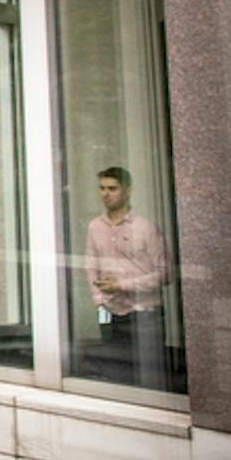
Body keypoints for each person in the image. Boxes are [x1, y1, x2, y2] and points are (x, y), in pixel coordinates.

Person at [84, 165, 170, 388]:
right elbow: (91, 265)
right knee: (117, 378)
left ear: (128, 191)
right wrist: (99, 300)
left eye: (112, 188)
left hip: (145, 314)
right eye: (102, 188)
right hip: (112, 313)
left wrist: (123, 285)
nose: (105, 194)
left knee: (149, 378)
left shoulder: (145, 228)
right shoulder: (95, 227)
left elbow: (166, 273)